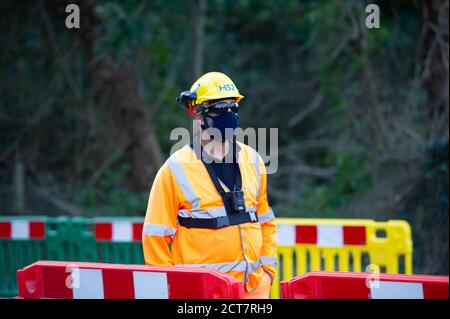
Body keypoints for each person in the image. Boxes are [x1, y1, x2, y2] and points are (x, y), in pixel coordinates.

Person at [142, 72, 277, 298]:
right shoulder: (174, 170)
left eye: (234, 108)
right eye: (220, 108)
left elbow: (265, 220)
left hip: (252, 292)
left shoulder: (253, 161)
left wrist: (268, 274)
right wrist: (170, 290)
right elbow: (155, 237)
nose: (229, 114)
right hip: (200, 296)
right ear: (198, 115)